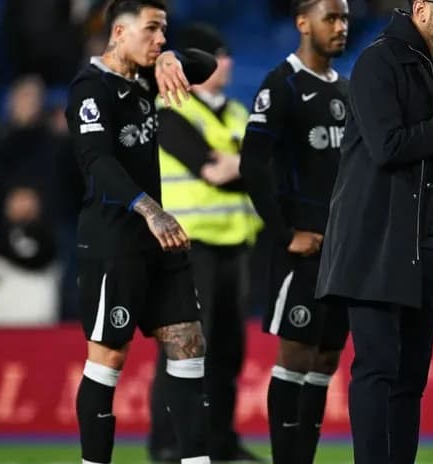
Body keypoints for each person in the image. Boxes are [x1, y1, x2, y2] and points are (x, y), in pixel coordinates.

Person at [314, 1, 433, 462]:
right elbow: (387, 146)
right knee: (378, 369)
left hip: (422, 244)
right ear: (421, 9)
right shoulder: (377, 62)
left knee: (410, 380)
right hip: (374, 241)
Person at [64, 1, 217, 463]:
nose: (160, 38)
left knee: (189, 346)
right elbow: (98, 162)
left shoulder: (147, 76)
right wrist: (151, 210)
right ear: (118, 33)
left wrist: (172, 58)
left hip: (159, 244)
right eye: (152, 29)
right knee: (108, 359)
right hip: (113, 242)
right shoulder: (90, 88)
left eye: (164, 30)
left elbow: (205, 65)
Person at [238, 1, 350, 462]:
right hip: (302, 249)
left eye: (345, 18)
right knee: (297, 355)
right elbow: (252, 164)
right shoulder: (281, 85)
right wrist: (285, 234)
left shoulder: (345, 89)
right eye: (331, 18)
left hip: (340, 250)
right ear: (303, 23)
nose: (341, 27)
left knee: (326, 359)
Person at [147, 24, 263, 463]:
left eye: (227, 54)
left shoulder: (236, 112)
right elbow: (212, 170)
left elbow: (257, 169)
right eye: (218, 54)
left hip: (235, 245)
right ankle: (168, 444)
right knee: (185, 349)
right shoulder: (170, 109)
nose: (227, 62)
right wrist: (251, 163)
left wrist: (244, 164)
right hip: (187, 247)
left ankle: (221, 443)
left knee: (228, 352)